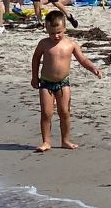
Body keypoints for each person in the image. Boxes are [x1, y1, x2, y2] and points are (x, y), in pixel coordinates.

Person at [31, 10, 101, 152]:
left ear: (65, 28)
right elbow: (36, 59)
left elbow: (82, 59)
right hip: (46, 83)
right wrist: (34, 77)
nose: (55, 36)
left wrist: (93, 68)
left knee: (64, 112)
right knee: (46, 113)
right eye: (52, 33)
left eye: (59, 32)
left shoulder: (71, 44)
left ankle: (65, 140)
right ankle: (46, 142)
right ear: (46, 29)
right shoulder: (44, 44)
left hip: (63, 83)